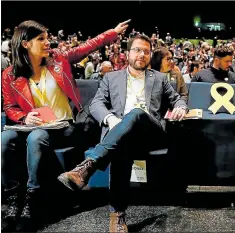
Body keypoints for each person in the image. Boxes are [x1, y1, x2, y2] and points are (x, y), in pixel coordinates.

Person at [1, 19, 129, 231]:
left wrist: (112, 33)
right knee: (3, 140)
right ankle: (13, 201)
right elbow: (9, 107)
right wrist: (24, 117)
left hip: (64, 126)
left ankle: (33, 200)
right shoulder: (9, 75)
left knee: (37, 137)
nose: (47, 42)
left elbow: (87, 46)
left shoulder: (58, 60)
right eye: (40, 39)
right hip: (31, 126)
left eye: (47, 37)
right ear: (25, 44)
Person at [57, 34, 188, 232]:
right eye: (137, 50)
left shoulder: (160, 78)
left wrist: (181, 108)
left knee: (135, 113)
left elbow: (178, 99)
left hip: (150, 134)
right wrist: (111, 119)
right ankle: (117, 215)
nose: (142, 55)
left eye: (146, 51)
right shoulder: (111, 77)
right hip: (120, 133)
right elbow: (96, 103)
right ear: (127, 53)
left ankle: (88, 167)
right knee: (121, 146)